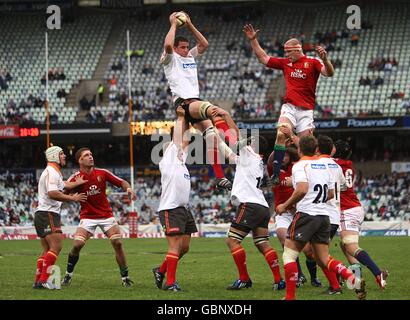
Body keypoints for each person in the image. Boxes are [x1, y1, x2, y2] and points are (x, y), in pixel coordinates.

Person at [161, 11, 245, 191]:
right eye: (182, 47)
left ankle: (221, 175)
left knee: (212, 136)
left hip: (194, 103)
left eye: (186, 47)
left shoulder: (189, 56)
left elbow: (204, 44)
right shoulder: (170, 59)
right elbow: (168, 44)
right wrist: (174, 24)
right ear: (176, 48)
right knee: (215, 110)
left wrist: (189, 24)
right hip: (184, 103)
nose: (185, 49)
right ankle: (235, 143)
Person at [242, 24, 334, 185]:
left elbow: (329, 73)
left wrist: (325, 59)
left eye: (288, 51)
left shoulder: (313, 62)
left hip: (306, 111)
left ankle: (312, 177)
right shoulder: (285, 63)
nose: (286, 55)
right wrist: (253, 41)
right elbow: (263, 58)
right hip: (289, 108)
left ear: (297, 50)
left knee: (308, 147)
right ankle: (276, 175)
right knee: (280, 134)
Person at [276, 136, 365, 300]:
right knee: (323, 258)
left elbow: (302, 189)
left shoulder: (299, 166)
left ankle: (290, 297)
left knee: (289, 255)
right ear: (315, 149)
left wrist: (285, 205)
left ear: (300, 150)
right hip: (324, 216)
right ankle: (352, 279)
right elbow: (332, 192)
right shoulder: (324, 165)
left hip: (307, 215)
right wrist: (317, 199)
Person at [61, 147, 137, 287]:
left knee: (118, 243)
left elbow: (121, 182)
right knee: (77, 245)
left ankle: (125, 278)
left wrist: (129, 189)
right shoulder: (75, 177)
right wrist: (73, 196)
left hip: (106, 215)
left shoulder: (102, 173)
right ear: (80, 160)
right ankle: (68, 274)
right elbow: (62, 194)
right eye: (86, 155)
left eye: (91, 154)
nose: (91, 156)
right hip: (87, 217)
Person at [225, 135, 285, 291]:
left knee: (232, 241)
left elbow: (233, 137)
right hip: (262, 206)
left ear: (252, 145)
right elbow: (229, 152)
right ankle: (278, 280)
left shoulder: (249, 154)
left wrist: (224, 118)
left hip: (249, 205)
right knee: (263, 243)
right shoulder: (256, 160)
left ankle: (244, 279)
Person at [152, 106, 197, 291]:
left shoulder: (180, 160)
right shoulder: (168, 158)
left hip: (183, 209)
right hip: (171, 208)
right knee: (175, 245)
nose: (180, 146)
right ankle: (170, 283)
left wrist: (189, 121)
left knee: (184, 247)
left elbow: (185, 140)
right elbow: (179, 139)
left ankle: (160, 270)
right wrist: (180, 117)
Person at [333, 140, 389, 290]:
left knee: (351, 247)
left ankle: (378, 273)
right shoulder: (348, 164)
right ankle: (356, 279)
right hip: (354, 207)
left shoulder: (334, 163)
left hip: (347, 210)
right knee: (345, 246)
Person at [268, 142, 322, 288]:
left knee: (308, 251)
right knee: (284, 238)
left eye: (286, 154)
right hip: (283, 213)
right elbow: (270, 160)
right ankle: (298, 275)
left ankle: (314, 277)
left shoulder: (297, 167)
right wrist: (279, 145)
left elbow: (308, 157)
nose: (283, 157)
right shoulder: (275, 169)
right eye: (281, 155)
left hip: (299, 212)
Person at [33, 146, 87, 289]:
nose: (64, 156)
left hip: (42, 213)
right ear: (54, 156)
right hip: (48, 213)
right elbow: (53, 193)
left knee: (46, 249)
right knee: (57, 246)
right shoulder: (52, 172)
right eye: (61, 154)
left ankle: (38, 281)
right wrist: (72, 198)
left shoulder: (52, 171)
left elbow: (63, 184)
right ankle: (44, 280)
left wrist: (76, 183)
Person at [317, 135, 349, 295]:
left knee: (320, 255)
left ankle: (343, 277)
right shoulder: (336, 166)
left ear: (317, 149)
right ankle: (336, 281)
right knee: (318, 253)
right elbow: (343, 186)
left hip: (323, 214)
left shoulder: (316, 165)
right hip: (334, 215)